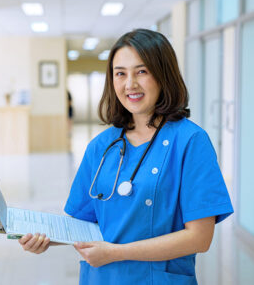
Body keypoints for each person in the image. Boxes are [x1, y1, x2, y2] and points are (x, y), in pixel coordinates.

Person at [18, 29, 234, 285]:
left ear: (164, 75)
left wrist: (117, 253)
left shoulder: (190, 141)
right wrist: (45, 238)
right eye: (120, 73)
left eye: (141, 71)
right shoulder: (101, 146)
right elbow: (82, 221)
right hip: (101, 277)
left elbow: (199, 238)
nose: (130, 84)